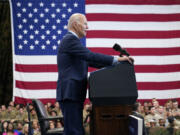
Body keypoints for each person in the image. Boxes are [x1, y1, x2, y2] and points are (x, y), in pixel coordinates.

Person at [56, 13, 134, 135]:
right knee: (74, 131)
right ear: (76, 24)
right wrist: (117, 60)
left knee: (75, 130)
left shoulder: (72, 42)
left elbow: (90, 61)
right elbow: (90, 55)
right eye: (85, 24)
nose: (87, 27)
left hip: (73, 94)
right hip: (70, 93)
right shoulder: (70, 40)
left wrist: (117, 65)